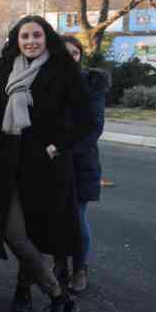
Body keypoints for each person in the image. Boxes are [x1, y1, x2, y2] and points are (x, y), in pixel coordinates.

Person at [0, 15, 87, 312]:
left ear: (46, 38)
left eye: (36, 35)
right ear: (16, 39)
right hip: (10, 164)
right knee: (14, 233)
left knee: (39, 233)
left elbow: (84, 118)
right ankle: (60, 296)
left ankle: (24, 291)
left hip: (47, 169)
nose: (30, 41)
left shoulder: (61, 69)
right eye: (24, 36)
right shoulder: (7, 69)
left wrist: (57, 147)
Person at [56, 36, 110, 294]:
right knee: (56, 217)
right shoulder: (48, 82)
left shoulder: (91, 84)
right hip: (52, 160)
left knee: (77, 217)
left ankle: (80, 267)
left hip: (80, 162)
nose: (70, 57)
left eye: (75, 53)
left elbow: (94, 128)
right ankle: (60, 264)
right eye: (65, 53)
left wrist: (64, 149)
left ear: (80, 56)